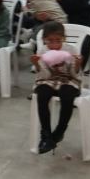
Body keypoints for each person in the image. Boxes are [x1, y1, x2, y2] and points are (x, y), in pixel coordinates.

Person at [31, 21, 82, 154]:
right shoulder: (42, 50)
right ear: (44, 39)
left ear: (64, 38)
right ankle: (46, 134)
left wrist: (77, 64)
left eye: (58, 40)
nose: (54, 45)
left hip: (68, 79)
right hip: (48, 79)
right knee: (42, 95)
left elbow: (74, 74)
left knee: (67, 95)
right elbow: (45, 75)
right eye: (50, 41)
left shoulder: (71, 49)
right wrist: (36, 64)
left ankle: (60, 130)